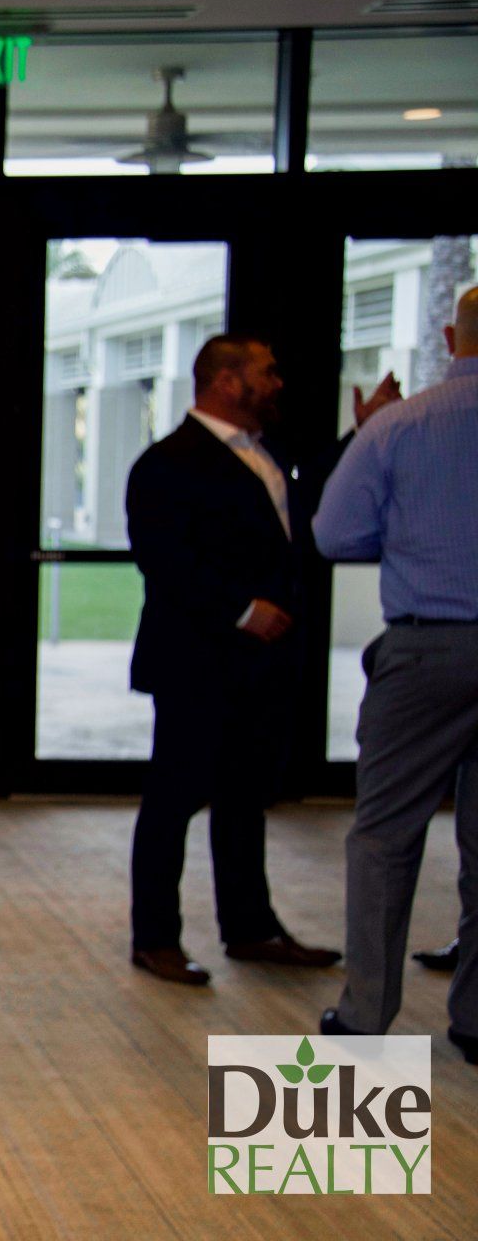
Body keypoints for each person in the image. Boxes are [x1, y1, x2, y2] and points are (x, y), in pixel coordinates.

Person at [123, 334, 349, 985]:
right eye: (266, 372)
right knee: (174, 799)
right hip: (196, 662)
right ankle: (155, 938)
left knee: (245, 799)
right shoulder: (167, 462)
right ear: (226, 380)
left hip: (263, 665)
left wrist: (359, 437)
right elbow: (164, 560)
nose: (278, 383)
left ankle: (251, 928)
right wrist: (243, 610)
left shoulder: (265, 452)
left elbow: (302, 510)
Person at [315, 284, 478, 1063]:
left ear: (451, 337)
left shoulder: (399, 425)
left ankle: (365, 1018)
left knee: (385, 836)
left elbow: (334, 535)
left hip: (425, 651)